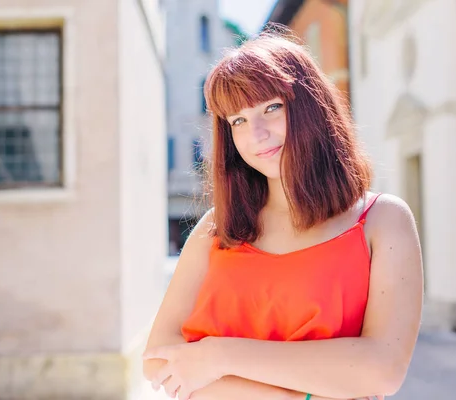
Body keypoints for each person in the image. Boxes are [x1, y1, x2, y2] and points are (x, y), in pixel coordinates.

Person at [142, 26, 423, 400]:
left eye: (271, 108)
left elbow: (380, 370)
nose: (255, 133)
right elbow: (158, 360)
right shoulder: (217, 229)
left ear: (312, 107)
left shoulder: (382, 222)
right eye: (237, 120)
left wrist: (221, 356)